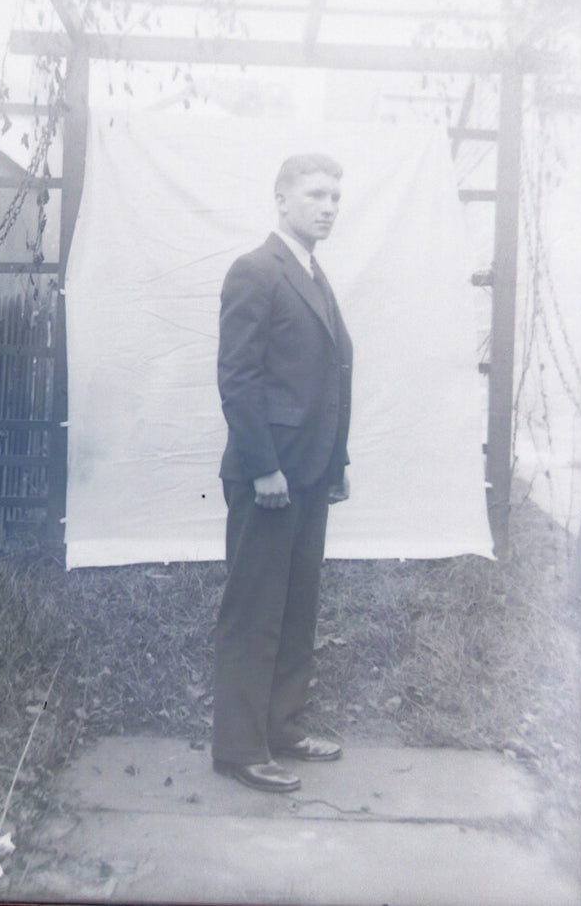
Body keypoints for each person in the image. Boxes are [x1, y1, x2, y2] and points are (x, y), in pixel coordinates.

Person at [211, 153, 354, 794]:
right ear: (281, 199)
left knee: (297, 606)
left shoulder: (315, 274)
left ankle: (284, 727)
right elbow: (238, 378)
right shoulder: (256, 271)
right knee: (255, 609)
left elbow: (328, 378)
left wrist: (336, 462)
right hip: (268, 478)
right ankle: (239, 749)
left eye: (335, 197)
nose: (328, 207)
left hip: (310, 475)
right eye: (316, 195)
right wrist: (264, 467)